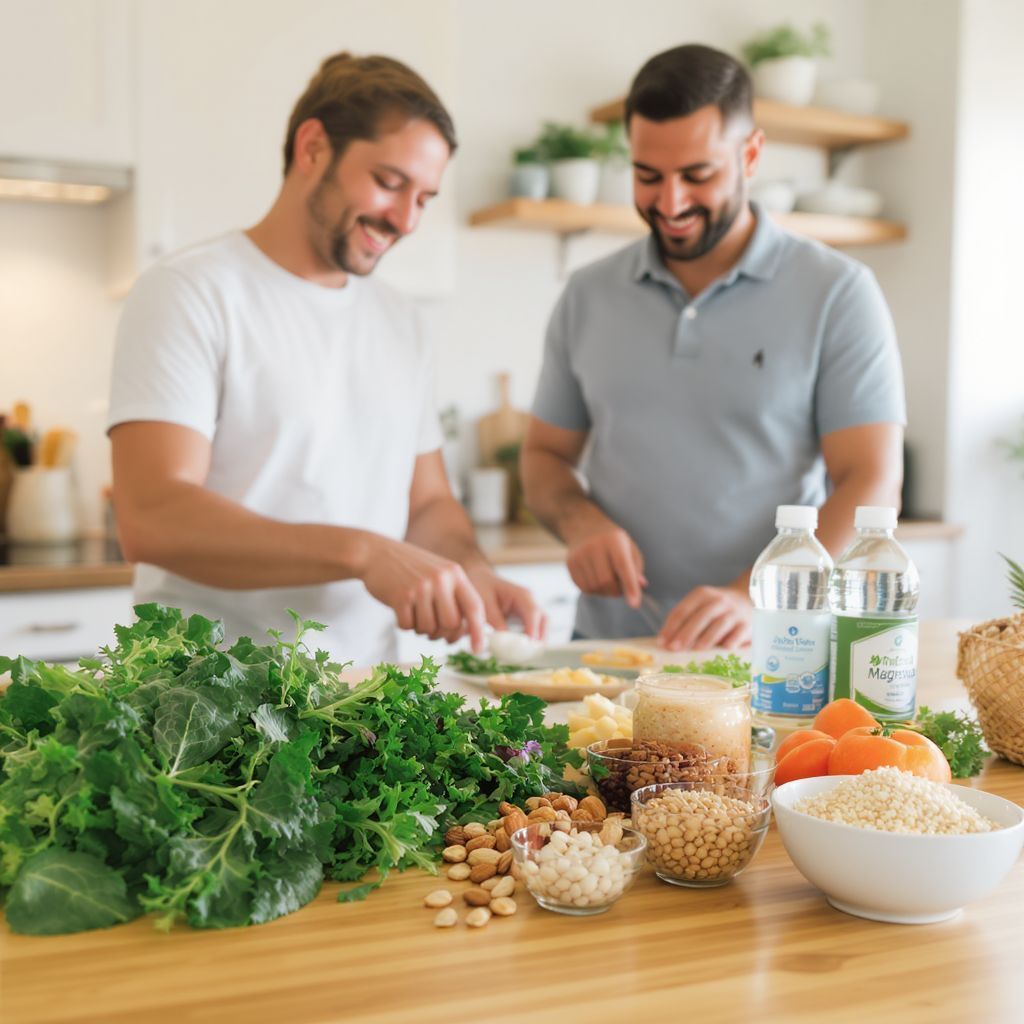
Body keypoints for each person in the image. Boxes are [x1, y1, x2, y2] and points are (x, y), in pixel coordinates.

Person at [109, 52, 542, 664]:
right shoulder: (191, 291)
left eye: (424, 197)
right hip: (205, 697)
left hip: (362, 694)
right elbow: (153, 517)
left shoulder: (401, 321)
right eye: (390, 182)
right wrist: (365, 553)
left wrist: (471, 572)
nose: (406, 219)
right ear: (312, 147)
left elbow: (427, 503)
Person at [521, 43, 905, 651]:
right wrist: (579, 520)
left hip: (775, 648)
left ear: (750, 154)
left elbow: (872, 478)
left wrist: (757, 593)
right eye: (648, 176)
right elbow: (543, 455)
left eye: (698, 175)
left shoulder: (837, 292)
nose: (670, 204)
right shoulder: (587, 295)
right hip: (609, 650)